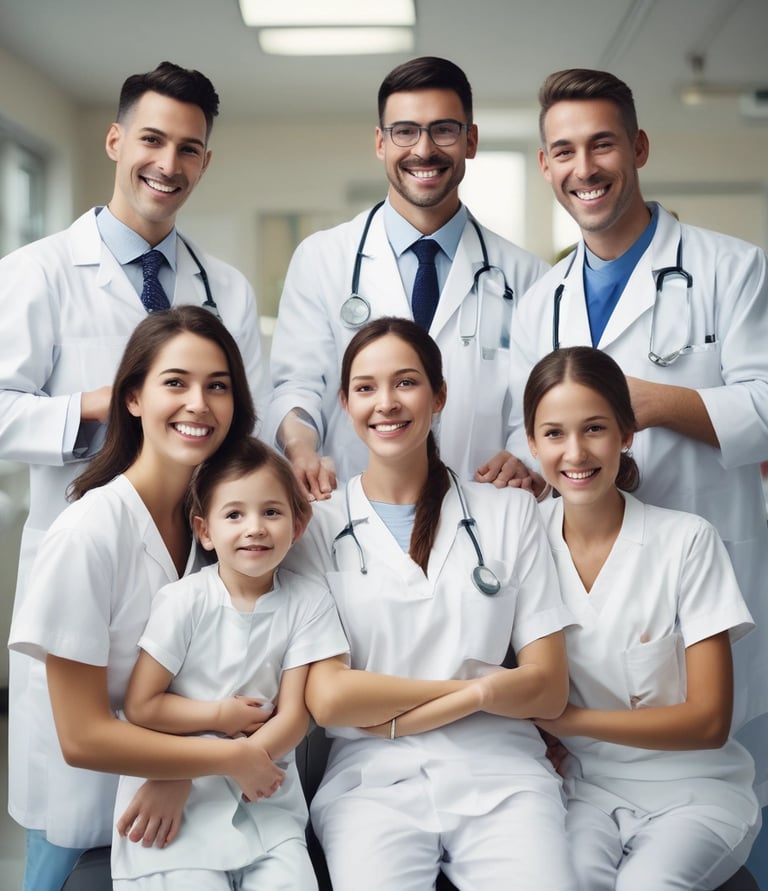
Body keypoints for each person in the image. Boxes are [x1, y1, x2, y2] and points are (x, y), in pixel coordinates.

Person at [0, 59, 268, 885]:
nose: (168, 163)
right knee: (70, 842)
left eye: (189, 148)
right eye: (152, 139)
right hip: (88, 575)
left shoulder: (225, 289)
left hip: (195, 572)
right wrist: (97, 407)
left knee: (185, 843)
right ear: (117, 141)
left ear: (205, 161)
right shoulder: (39, 272)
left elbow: (242, 431)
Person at [505, 68, 768, 878]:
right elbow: (541, 435)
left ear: (639, 147)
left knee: (720, 834)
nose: (584, 168)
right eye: (564, 151)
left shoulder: (731, 268)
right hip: (595, 592)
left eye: (603, 144)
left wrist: (656, 402)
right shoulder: (539, 301)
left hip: (705, 571)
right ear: (545, 165)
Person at [282, 317, 575, 891]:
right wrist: (481, 690)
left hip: (503, 775)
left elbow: (548, 689)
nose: (386, 403)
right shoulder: (315, 528)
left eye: (406, 382)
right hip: (373, 784)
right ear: (345, 403)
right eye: (365, 387)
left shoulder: (509, 512)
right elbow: (330, 698)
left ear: (439, 395)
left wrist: (395, 714)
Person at [8, 307, 279, 891]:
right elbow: (82, 736)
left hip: (197, 802)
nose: (198, 404)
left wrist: (182, 772)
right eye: (175, 383)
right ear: (132, 398)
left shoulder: (221, 524)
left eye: (218, 386)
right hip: (98, 809)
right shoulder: (89, 533)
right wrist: (216, 759)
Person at [523, 346, 760, 890]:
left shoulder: (686, 541)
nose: (576, 452)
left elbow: (709, 723)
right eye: (554, 433)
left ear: (627, 433)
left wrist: (566, 722)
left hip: (695, 791)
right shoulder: (522, 542)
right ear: (532, 442)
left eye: (595, 428)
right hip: (583, 792)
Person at [264, 56, 548, 501]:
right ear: (381, 142)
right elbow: (297, 386)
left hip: (483, 513)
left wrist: (522, 458)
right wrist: (300, 447)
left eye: (444, 130)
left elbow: (538, 403)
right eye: (405, 131)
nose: (423, 149)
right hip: (352, 514)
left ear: (471, 141)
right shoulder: (322, 259)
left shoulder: (527, 276)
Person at [110, 436, 348, 889]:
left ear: (298, 525)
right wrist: (220, 718)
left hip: (264, 794)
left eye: (271, 512)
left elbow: (294, 718)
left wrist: (245, 763)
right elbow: (141, 706)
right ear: (205, 530)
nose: (254, 528)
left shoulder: (309, 602)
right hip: (173, 798)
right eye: (234, 514)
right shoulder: (184, 601)